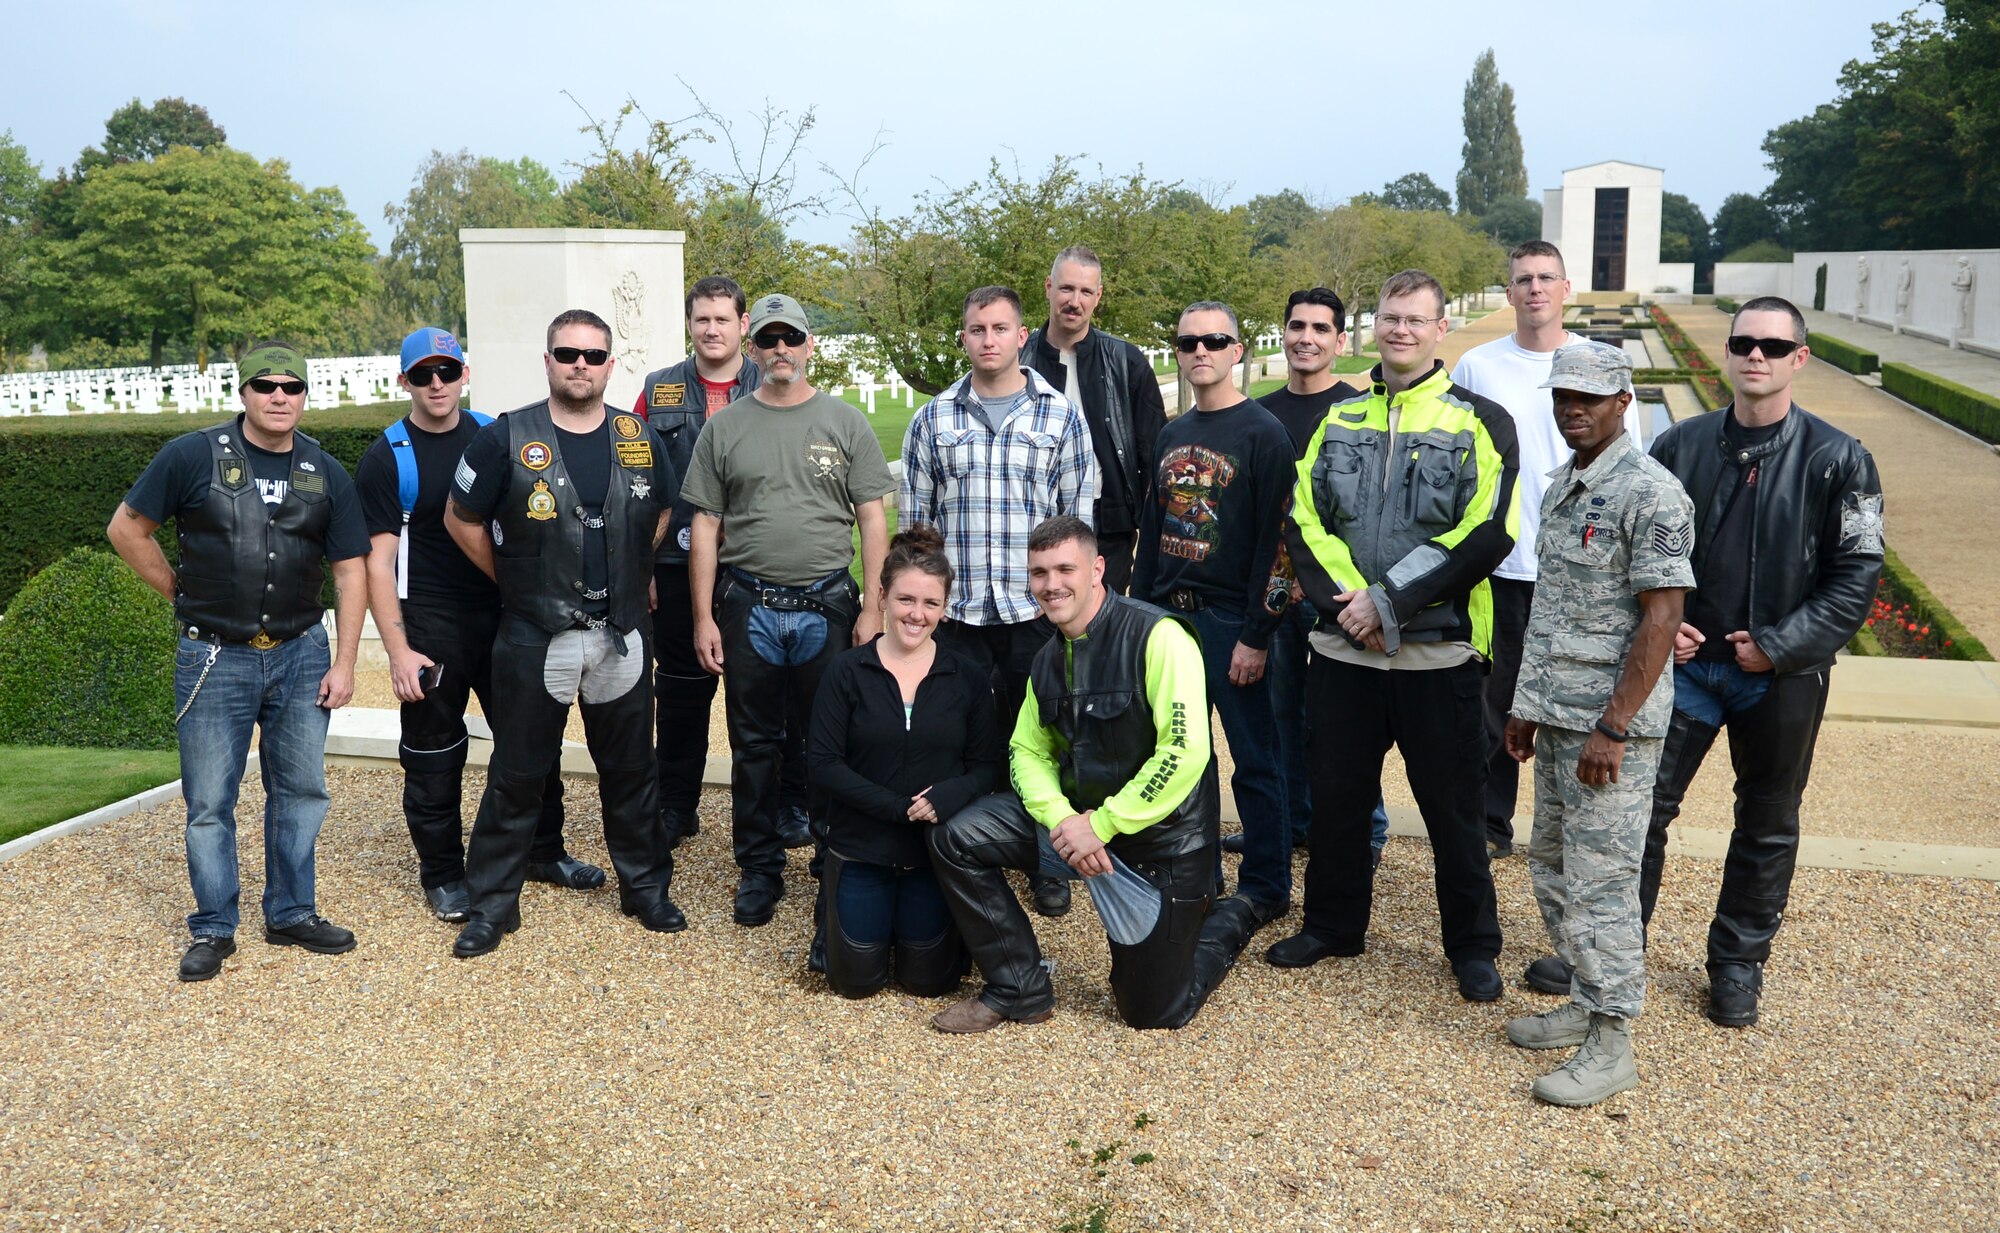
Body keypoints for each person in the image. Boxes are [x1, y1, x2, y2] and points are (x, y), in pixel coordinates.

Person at [1521, 297, 1884, 1027]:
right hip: (1683, 670)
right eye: (1744, 342)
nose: (1757, 356)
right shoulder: (1678, 445)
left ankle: (1737, 964)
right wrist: (1671, 629)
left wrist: (1779, 645)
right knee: (1638, 814)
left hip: (1780, 673)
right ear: (1729, 352)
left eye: (1774, 347)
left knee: (1768, 819)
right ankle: (1606, 962)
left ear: (1798, 360)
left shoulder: (1841, 459)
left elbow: (1857, 575)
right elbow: (1637, 569)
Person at [1264, 269, 1520, 1003]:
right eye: (1390, 317)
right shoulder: (1334, 422)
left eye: (1416, 319)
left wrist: (1388, 601)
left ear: (1442, 330)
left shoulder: (1480, 420)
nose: (1400, 329)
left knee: (1454, 810)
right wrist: (1354, 605)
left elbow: (1487, 530)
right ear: (1375, 326)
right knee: (1337, 799)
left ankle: (1472, 946)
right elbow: (1304, 520)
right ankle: (1333, 926)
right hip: (1343, 649)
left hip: (1437, 651)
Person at [927, 516, 1260, 1033]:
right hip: (1078, 829)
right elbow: (1026, 751)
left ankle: (1233, 914)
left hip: (1163, 844)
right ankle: (1019, 986)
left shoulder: (1160, 637)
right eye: (1039, 572)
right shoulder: (1045, 659)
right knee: (957, 835)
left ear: (1098, 569)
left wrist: (1101, 825)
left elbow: (1185, 752)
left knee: (1152, 1013)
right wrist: (1064, 821)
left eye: (1065, 568)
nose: (1051, 584)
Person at [107, 342, 370, 981]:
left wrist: (346, 661)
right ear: (243, 392)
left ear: (305, 396)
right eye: (265, 385)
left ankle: (290, 911)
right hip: (214, 656)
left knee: (302, 790)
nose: (278, 397)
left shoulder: (326, 470)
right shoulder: (191, 455)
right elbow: (126, 528)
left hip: (302, 651)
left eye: (291, 387)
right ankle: (214, 927)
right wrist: (178, 590)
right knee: (208, 801)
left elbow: (350, 568)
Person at [445, 309, 683, 958]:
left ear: (610, 365)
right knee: (517, 773)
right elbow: (460, 516)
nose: (581, 363)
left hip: (622, 632)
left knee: (632, 771)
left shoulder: (639, 435)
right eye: (568, 352)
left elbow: (662, 506)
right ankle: (492, 905)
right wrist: (515, 579)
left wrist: (633, 566)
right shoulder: (505, 437)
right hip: (533, 632)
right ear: (547, 361)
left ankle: (646, 888)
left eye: (594, 354)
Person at [1500, 342, 1694, 1107]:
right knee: (1550, 866)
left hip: (1610, 734)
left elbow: (1663, 616)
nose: (1571, 407)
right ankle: (1585, 996)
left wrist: (1613, 725)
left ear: (1624, 401)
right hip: (1557, 718)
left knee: (1602, 885)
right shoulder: (1566, 486)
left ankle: (1612, 1040)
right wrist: (1525, 705)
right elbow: (1548, 612)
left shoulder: (1651, 492)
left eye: (1588, 396)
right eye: (1562, 395)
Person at [356, 328, 603, 923]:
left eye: (447, 371)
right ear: (405, 382)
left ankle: (544, 850)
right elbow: (377, 565)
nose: (436, 384)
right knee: (433, 754)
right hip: (432, 624)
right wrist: (397, 651)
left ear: (465, 374)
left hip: (505, 616)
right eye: (423, 374)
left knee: (531, 743)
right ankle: (443, 874)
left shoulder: (500, 435)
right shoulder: (387, 458)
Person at [683, 293, 895, 929]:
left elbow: (873, 519)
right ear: (754, 349)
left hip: (829, 605)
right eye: (769, 339)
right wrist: (702, 616)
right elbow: (705, 524)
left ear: (809, 346)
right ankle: (759, 868)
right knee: (753, 744)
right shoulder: (725, 427)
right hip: (747, 604)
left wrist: (874, 606)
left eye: (792, 339)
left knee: (831, 743)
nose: (781, 350)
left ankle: (835, 862)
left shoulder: (845, 421)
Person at [901, 284, 1094, 919]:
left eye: (1000, 329)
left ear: (1020, 336)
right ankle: (950, 851)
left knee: (1044, 745)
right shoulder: (934, 419)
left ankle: (1047, 862)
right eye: (977, 329)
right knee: (950, 740)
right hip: (955, 620)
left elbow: (1075, 520)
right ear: (964, 337)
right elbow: (917, 528)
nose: (989, 340)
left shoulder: (1058, 415)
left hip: (1032, 615)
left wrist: (1067, 599)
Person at [1452, 241, 1640, 861]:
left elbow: (1629, 469)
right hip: (1503, 564)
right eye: (1522, 279)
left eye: (1545, 278)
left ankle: (1571, 828)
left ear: (1566, 288)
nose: (1534, 288)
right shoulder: (1477, 367)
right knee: (1496, 699)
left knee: (1579, 697)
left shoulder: (1601, 363)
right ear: (1508, 292)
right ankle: (1490, 823)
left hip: (1580, 569)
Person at [1131, 300, 1295, 926]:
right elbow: (1152, 530)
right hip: (1169, 618)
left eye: (1214, 340)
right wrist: (1137, 617)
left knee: (1255, 758)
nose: (1200, 351)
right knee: (1179, 755)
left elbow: (1278, 544)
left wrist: (1258, 633)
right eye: (1188, 342)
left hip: (1233, 621)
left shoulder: (1263, 435)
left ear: (1238, 351)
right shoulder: (1172, 434)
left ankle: (1265, 886)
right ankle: (1194, 873)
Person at [633, 276, 811, 851]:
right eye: (701, 319)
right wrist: (642, 569)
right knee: (681, 693)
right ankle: (676, 804)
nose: (712, 329)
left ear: (743, 327)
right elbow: (635, 479)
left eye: (722, 319)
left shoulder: (777, 379)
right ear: (691, 324)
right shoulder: (658, 389)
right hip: (674, 565)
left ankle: (788, 806)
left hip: (755, 567)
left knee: (774, 698)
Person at [806, 526, 1004, 998]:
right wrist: (896, 807)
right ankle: (829, 911)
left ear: (945, 606)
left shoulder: (967, 677)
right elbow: (824, 762)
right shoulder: (848, 670)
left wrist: (950, 794)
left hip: (933, 852)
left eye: (930, 604)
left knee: (929, 984)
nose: (917, 614)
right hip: (861, 846)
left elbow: (987, 764)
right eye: (906, 600)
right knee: (853, 985)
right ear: (882, 596)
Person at [1251, 287, 1389, 865]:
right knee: (1281, 716)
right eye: (1297, 326)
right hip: (1275, 595)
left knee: (1344, 722)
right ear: (1284, 332)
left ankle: (1368, 830)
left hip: (1336, 592)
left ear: (1338, 340)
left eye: (1320, 329)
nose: (1306, 338)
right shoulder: (1262, 415)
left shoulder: (1357, 412)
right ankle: (1294, 823)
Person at [1023, 245, 1165, 596]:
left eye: (1086, 291)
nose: (1075, 301)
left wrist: (1150, 528)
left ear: (1098, 296)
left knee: (1102, 627)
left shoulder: (1125, 361)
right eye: (1067, 289)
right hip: (1034, 519)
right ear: (1048, 288)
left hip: (1109, 522)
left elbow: (1154, 453)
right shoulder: (1019, 360)